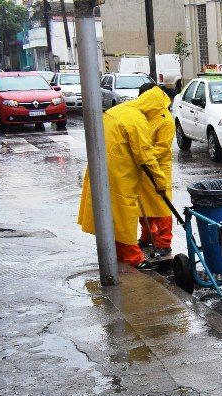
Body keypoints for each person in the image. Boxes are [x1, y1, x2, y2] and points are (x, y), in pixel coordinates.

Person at [77, 86, 170, 270]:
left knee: (112, 215)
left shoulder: (119, 110)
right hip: (121, 173)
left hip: (103, 167)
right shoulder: (137, 121)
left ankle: (119, 253)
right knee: (124, 216)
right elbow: (145, 156)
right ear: (152, 107)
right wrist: (160, 183)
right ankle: (133, 258)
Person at [135, 83, 176, 257]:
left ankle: (164, 242)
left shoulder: (165, 120)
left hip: (158, 169)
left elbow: (163, 148)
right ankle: (147, 236)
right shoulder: (142, 115)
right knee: (143, 205)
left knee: (161, 206)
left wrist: (143, 155)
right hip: (142, 169)